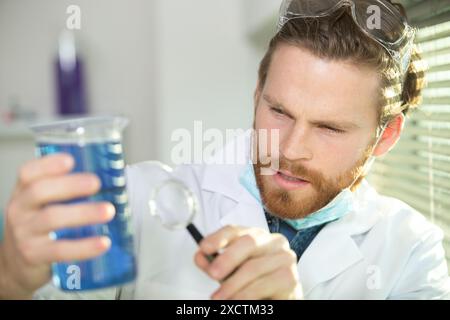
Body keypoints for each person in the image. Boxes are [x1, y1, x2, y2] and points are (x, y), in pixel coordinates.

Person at [1, 0, 449, 299]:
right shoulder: (136, 201)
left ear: (386, 136)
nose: (289, 149)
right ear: (257, 93)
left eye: (329, 128)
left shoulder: (412, 251)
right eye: (279, 111)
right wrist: (14, 277)